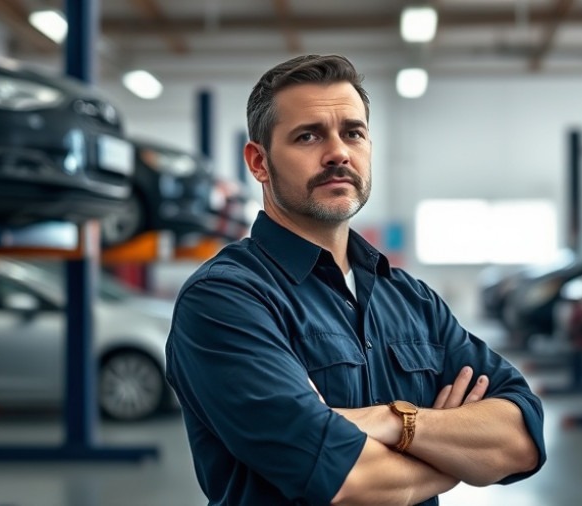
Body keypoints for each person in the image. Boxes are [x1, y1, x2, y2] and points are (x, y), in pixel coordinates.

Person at [166, 54, 546, 506]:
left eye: (353, 133)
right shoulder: (225, 300)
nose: (338, 152)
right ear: (259, 163)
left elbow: (521, 439)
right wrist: (454, 459)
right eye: (308, 136)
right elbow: (349, 481)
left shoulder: (411, 298)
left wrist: (393, 421)